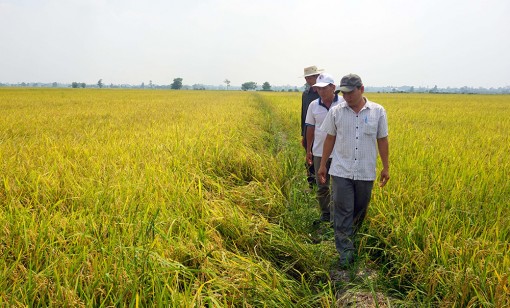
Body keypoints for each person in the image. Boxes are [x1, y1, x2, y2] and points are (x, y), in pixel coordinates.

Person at [318, 73, 390, 267]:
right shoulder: (336, 112)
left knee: (359, 210)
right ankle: (345, 252)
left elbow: (382, 139)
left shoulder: (378, 112)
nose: (347, 97)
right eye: (344, 93)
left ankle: (351, 241)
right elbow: (330, 138)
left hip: (365, 172)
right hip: (341, 170)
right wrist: (323, 164)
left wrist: (386, 167)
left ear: (361, 89)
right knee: (343, 210)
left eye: (351, 93)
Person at [304, 73, 344, 224]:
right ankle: (325, 214)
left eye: (324, 88)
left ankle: (337, 216)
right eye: (318, 89)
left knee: (339, 187)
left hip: (340, 152)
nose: (321, 92)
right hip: (319, 151)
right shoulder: (313, 105)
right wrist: (309, 150)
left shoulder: (343, 103)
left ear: (333, 87)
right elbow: (310, 128)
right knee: (322, 185)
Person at [301, 65, 323, 188]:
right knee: (309, 157)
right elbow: (303, 116)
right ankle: (312, 184)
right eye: (306, 78)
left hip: (323, 132)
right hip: (308, 132)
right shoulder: (306, 94)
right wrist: (303, 135)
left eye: (309, 78)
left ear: (317, 77)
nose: (307, 81)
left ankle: (323, 183)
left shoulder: (325, 93)